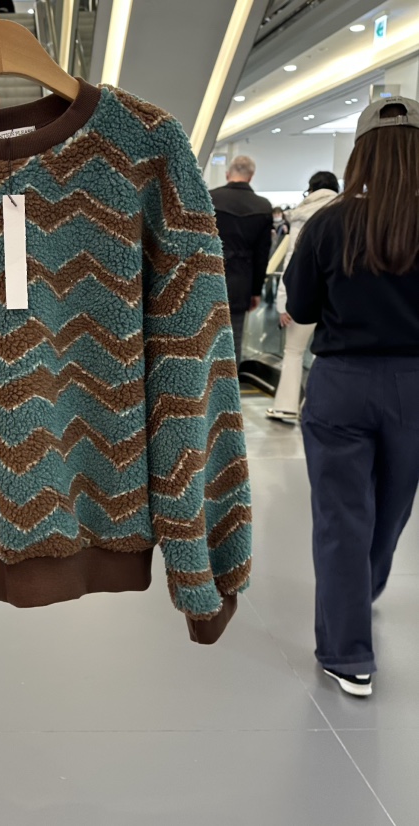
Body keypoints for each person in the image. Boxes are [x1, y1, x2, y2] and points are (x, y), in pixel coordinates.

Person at [285, 96, 419, 698]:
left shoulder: (329, 223)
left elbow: (302, 307)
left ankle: (348, 653)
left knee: (342, 516)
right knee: (392, 508)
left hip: (342, 384)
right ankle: (362, 591)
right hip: (414, 383)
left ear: (360, 153)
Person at [266, 171, 340, 423]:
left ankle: (286, 407)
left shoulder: (302, 215)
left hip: (305, 296)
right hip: (335, 299)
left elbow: (292, 262)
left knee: (294, 351)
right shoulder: (346, 213)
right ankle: (317, 406)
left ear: (310, 189)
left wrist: (283, 303)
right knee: (324, 354)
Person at [210, 156, 274, 368]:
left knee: (203, 337)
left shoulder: (210, 198)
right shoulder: (263, 206)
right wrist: (256, 290)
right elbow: (262, 255)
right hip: (241, 282)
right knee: (233, 341)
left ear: (228, 174)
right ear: (251, 176)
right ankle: (228, 386)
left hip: (209, 277)